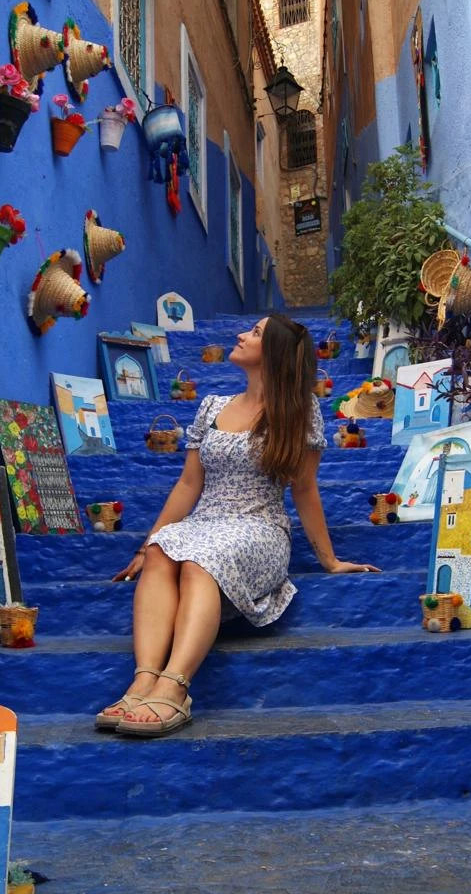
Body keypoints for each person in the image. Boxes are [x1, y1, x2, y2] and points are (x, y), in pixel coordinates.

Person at [95, 314, 380, 739]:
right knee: (161, 551)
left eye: (256, 333)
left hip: (259, 528)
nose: (241, 335)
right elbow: (190, 482)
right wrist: (146, 541)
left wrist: (330, 560)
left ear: (275, 352)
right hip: (205, 521)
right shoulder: (211, 405)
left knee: (199, 562)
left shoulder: (300, 412)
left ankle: (175, 688)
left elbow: (304, 489)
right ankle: (143, 682)